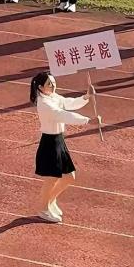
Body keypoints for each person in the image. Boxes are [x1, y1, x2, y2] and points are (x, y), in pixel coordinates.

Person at [30, 71, 98, 223]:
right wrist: (87, 121)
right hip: (50, 142)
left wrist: (86, 97)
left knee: (69, 177)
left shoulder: (53, 97)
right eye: (49, 84)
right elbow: (63, 115)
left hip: (59, 140)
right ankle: (43, 208)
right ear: (40, 87)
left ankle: (50, 200)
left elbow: (68, 103)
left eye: (53, 82)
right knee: (52, 179)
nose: (53, 86)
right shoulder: (45, 104)